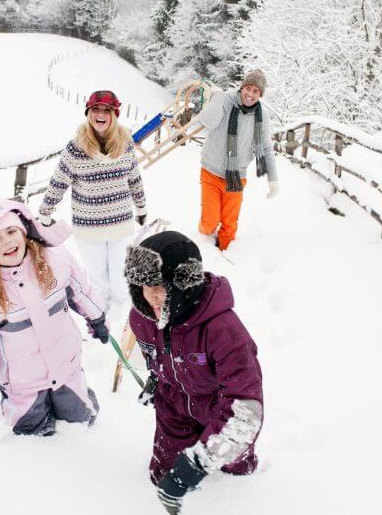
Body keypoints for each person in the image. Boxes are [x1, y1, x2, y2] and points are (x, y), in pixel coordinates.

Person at [124, 231, 264, 515]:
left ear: (183, 284)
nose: (149, 295)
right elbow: (155, 355)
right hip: (173, 403)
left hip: (219, 406)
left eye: (159, 286)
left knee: (233, 464)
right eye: (142, 285)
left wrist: (199, 462)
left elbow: (245, 412)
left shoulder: (225, 331)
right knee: (163, 474)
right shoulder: (142, 317)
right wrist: (157, 379)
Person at [0, 195, 110, 436]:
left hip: (67, 367)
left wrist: (96, 318)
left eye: (11, 231)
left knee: (81, 419)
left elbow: (80, 290)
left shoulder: (55, 259)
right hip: (24, 384)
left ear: (23, 230)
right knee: (30, 432)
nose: (7, 242)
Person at [39, 89, 147, 315]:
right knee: (97, 281)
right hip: (88, 226)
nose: (100, 114)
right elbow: (59, 182)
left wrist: (141, 207)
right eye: (95, 109)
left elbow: (134, 179)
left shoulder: (126, 145)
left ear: (114, 114)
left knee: (121, 280)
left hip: (121, 223)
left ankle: (125, 319)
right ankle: (101, 318)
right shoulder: (75, 148)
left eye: (106, 110)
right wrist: (45, 212)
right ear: (88, 113)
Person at [193, 69, 280, 250]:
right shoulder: (225, 100)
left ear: (260, 94)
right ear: (242, 87)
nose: (250, 94)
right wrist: (217, 97)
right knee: (209, 222)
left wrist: (273, 179)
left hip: (236, 177)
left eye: (256, 91)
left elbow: (265, 148)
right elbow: (208, 121)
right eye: (248, 88)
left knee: (230, 224)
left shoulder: (261, 116)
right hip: (211, 171)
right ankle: (203, 245)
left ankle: (225, 253)